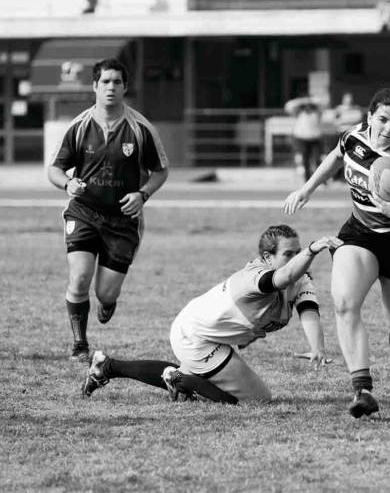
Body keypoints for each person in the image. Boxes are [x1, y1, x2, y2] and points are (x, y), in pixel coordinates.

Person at [284, 87, 390, 418]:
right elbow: (336, 156)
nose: (388, 129)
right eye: (382, 120)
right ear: (369, 117)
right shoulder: (352, 137)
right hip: (362, 234)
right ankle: (362, 391)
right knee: (343, 303)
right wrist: (308, 188)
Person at [82, 225, 341, 404]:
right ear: (267, 257)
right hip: (194, 336)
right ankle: (179, 379)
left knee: (230, 389)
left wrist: (317, 347)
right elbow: (282, 277)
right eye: (289, 254)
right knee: (257, 398)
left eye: (298, 253)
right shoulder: (253, 278)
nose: (296, 259)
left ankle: (107, 366)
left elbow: (309, 310)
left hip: (207, 333)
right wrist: (312, 249)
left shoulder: (301, 278)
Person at [47, 58, 169, 362]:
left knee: (105, 293)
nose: (111, 87)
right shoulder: (79, 126)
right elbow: (55, 169)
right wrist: (67, 185)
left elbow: (161, 171)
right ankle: (80, 345)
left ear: (125, 87)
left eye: (117, 82)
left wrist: (143, 194)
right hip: (83, 212)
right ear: (94, 87)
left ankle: (107, 301)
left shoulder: (141, 129)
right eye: (105, 82)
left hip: (123, 222)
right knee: (79, 278)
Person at [284, 94, 324, 181]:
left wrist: (310, 100)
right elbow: (288, 106)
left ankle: (320, 179)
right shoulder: (298, 111)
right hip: (302, 139)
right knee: (305, 160)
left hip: (315, 138)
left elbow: (323, 102)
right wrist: (302, 100)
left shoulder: (317, 111)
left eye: (309, 104)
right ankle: (307, 179)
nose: (307, 106)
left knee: (317, 159)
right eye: (306, 105)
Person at [330, 92, 365, 183]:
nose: (348, 100)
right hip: (340, 134)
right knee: (338, 156)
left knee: (352, 156)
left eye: (350, 98)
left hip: (353, 135)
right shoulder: (339, 109)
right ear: (343, 99)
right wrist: (348, 120)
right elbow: (335, 121)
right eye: (346, 98)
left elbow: (358, 118)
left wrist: (344, 120)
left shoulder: (356, 109)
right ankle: (337, 177)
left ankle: (349, 177)